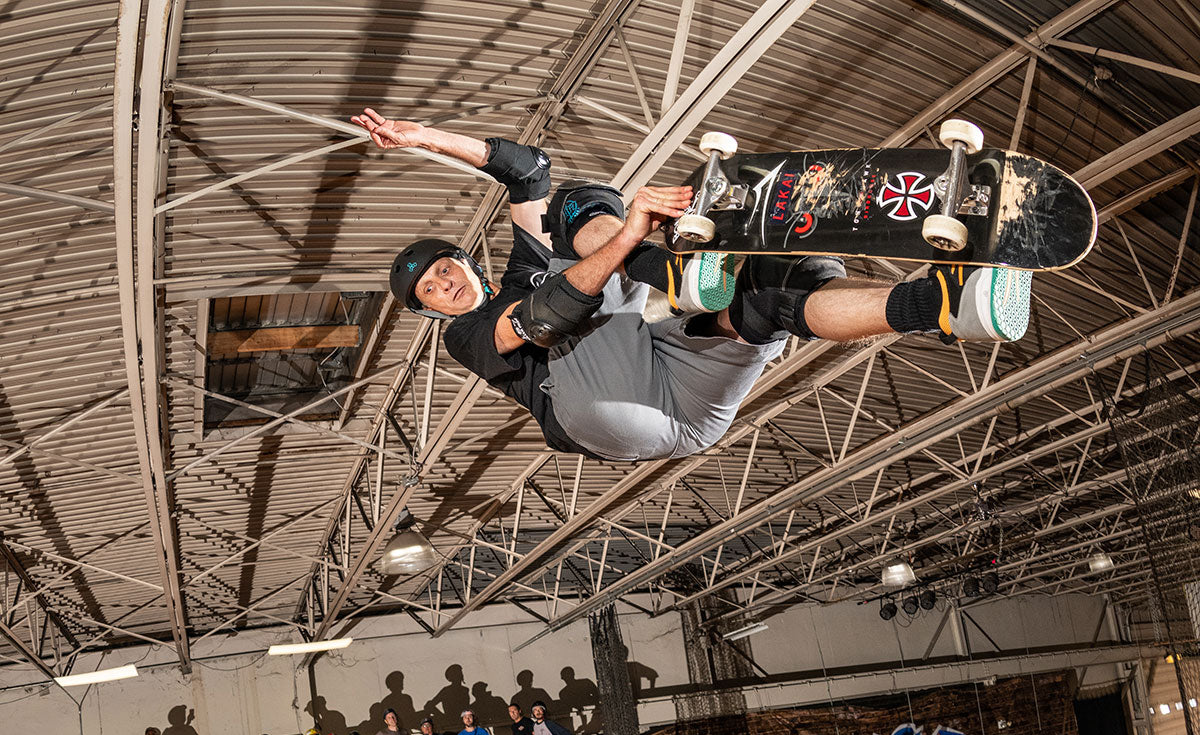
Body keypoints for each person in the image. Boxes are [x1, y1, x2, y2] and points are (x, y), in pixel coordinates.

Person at [358, 113, 1029, 474]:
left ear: (464, 260)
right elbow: (544, 318)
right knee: (568, 280)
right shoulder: (466, 337)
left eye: (445, 267)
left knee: (774, 296)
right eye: (432, 291)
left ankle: (942, 306)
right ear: (432, 312)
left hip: (685, 402)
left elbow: (523, 167)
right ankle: (669, 271)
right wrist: (630, 241)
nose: (446, 284)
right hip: (598, 410)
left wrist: (424, 137)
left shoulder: (518, 263)